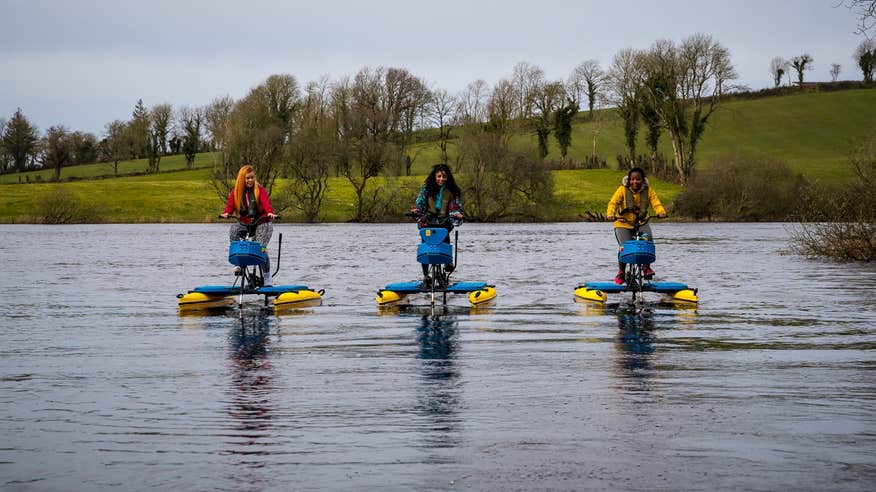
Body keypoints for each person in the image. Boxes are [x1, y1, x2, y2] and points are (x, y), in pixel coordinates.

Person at [606, 167, 667, 285]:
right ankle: (621, 272)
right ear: (628, 180)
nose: (635, 182)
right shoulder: (622, 190)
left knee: (647, 238)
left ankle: (646, 267)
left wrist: (661, 212)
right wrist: (610, 214)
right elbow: (613, 203)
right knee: (625, 247)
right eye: (632, 179)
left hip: (641, 223)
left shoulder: (649, 191)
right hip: (623, 223)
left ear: (642, 180)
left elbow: (656, 203)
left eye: (638, 179)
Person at [220, 165, 277, 286]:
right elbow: (230, 207)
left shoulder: (260, 190)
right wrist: (226, 213)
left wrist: (270, 212)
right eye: (247, 178)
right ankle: (238, 264)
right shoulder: (235, 192)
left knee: (260, 248)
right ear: (242, 179)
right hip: (245, 223)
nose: (250, 180)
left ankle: (267, 277)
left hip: (262, 222)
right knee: (234, 229)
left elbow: (266, 203)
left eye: (252, 178)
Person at [411, 163, 464, 284]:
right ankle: (426, 275)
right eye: (439, 176)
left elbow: (455, 207)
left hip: (444, 221)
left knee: (445, 237)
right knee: (425, 244)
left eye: (444, 176)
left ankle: (447, 263)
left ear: (447, 177)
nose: (441, 179)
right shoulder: (426, 189)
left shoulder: (452, 191)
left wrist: (457, 214)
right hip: (428, 221)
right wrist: (416, 211)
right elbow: (419, 203)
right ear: (434, 176)